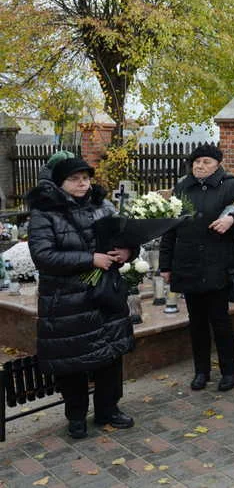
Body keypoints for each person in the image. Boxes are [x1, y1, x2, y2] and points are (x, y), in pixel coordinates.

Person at [27, 157, 135, 439]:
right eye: (75, 179)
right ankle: (76, 416)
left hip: (105, 294)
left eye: (85, 178)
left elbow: (123, 237)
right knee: (72, 359)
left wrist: (126, 253)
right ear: (60, 183)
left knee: (110, 354)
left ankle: (107, 409)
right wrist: (90, 259)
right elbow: (43, 255)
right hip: (67, 300)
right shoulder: (45, 211)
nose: (82, 183)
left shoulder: (103, 205)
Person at [160, 144, 234, 392]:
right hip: (188, 262)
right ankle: (201, 371)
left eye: (206, 162)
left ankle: (229, 371)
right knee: (197, 322)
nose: (200, 166)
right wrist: (165, 265)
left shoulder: (230, 185)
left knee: (220, 320)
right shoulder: (181, 188)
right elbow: (170, 227)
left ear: (217, 164)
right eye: (197, 162)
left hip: (217, 263)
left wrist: (231, 220)